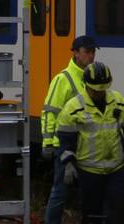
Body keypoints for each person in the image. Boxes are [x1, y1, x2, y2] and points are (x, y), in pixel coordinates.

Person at [56, 62, 124, 223]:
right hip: (89, 172)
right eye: (96, 90)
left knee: (119, 213)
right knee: (91, 215)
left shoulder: (118, 101)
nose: (100, 93)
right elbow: (66, 141)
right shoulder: (73, 108)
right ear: (87, 86)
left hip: (116, 169)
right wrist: (68, 163)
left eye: (103, 89)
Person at [41, 35, 98, 224]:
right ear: (75, 53)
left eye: (93, 52)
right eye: (87, 52)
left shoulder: (91, 78)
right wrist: (48, 142)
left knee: (87, 194)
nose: (91, 56)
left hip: (86, 146)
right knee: (60, 192)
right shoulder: (63, 79)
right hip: (64, 147)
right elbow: (50, 112)